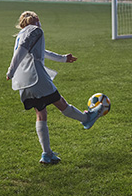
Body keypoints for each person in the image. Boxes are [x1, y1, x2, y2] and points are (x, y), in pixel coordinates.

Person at [6, 11, 105, 164]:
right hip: (36, 77)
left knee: (41, 114)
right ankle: (87, 118)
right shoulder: (35, 30)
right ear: (36, 20)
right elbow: (21, 51)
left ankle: (46, 154)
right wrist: (10, 71)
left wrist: (63, 58)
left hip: (23, 83)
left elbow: (41, 52)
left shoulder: (21, 34)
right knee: (61, 103)